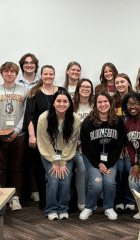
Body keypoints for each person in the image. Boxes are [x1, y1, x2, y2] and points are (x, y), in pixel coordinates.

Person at [0, 62, 28, 210]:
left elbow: (26, 114)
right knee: (0, 169)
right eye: (6, 71)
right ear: (2, 73)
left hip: (19, 135)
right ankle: (1, 198)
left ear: (17, 74)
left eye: (12, 71)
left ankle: (15, 198)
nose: (9, 74)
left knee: (17, 168)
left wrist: (16, 130)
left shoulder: (24, 91)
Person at [23, 65, 65, 210]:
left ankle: (59, 201)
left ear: (54, 75)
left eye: (51, 74)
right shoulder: (34, 93)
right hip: (40, 138)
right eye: (45, 74)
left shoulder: (61, 91)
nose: (48, 76)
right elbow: (30, 117)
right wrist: (31, 136)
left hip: (60, 138)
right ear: (41, 76)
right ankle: (45, 202)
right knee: (42, 170)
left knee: (59, 169)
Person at [79, 91, 126, 220]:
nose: (103, 104)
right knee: (96, 183)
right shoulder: (88, 122)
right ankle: (89, 207)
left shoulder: (118, 122)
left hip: (111, 160)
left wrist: (108, 163)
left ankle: (108, 207)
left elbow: (118, 146)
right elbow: (87, 147)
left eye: (105, 101)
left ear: (110, 103)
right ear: (95, 105)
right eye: (99, 102)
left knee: (110, 182)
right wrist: (99, 164)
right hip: (92, 159)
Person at [37, 89, 80, 220]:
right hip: (48, 152)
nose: (62, 104)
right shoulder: (44, 118)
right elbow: (44, 143)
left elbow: (71, 143)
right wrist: (55, 162)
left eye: (65, 101)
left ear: (69, 103)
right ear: (53, 103)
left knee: (66, 179)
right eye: (58, 101)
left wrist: (63, 161)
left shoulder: (75, 118)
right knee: (53, 179)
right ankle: (51, 209)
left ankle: (62, 208)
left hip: (66, 153)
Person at [113, 74, 136, 211]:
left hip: (132, 143)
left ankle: (130, 199)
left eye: (122, 82)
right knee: (119, 170)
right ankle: (119, 199)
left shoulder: (135, 99)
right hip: (117, 144)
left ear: (128, 83)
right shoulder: (113, 100)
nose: (120, 84)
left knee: (129, 169)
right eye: (117, 82)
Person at [72, 78, 94, 211]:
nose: (85, 89)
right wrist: (80, 144)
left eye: (88, 87)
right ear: (78, 89)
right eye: (83, 86)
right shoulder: (72, 105)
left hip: (92, 147)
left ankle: (93, 199)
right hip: (76, 147)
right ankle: (82, 200)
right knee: (83, 169)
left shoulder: (95, 105)